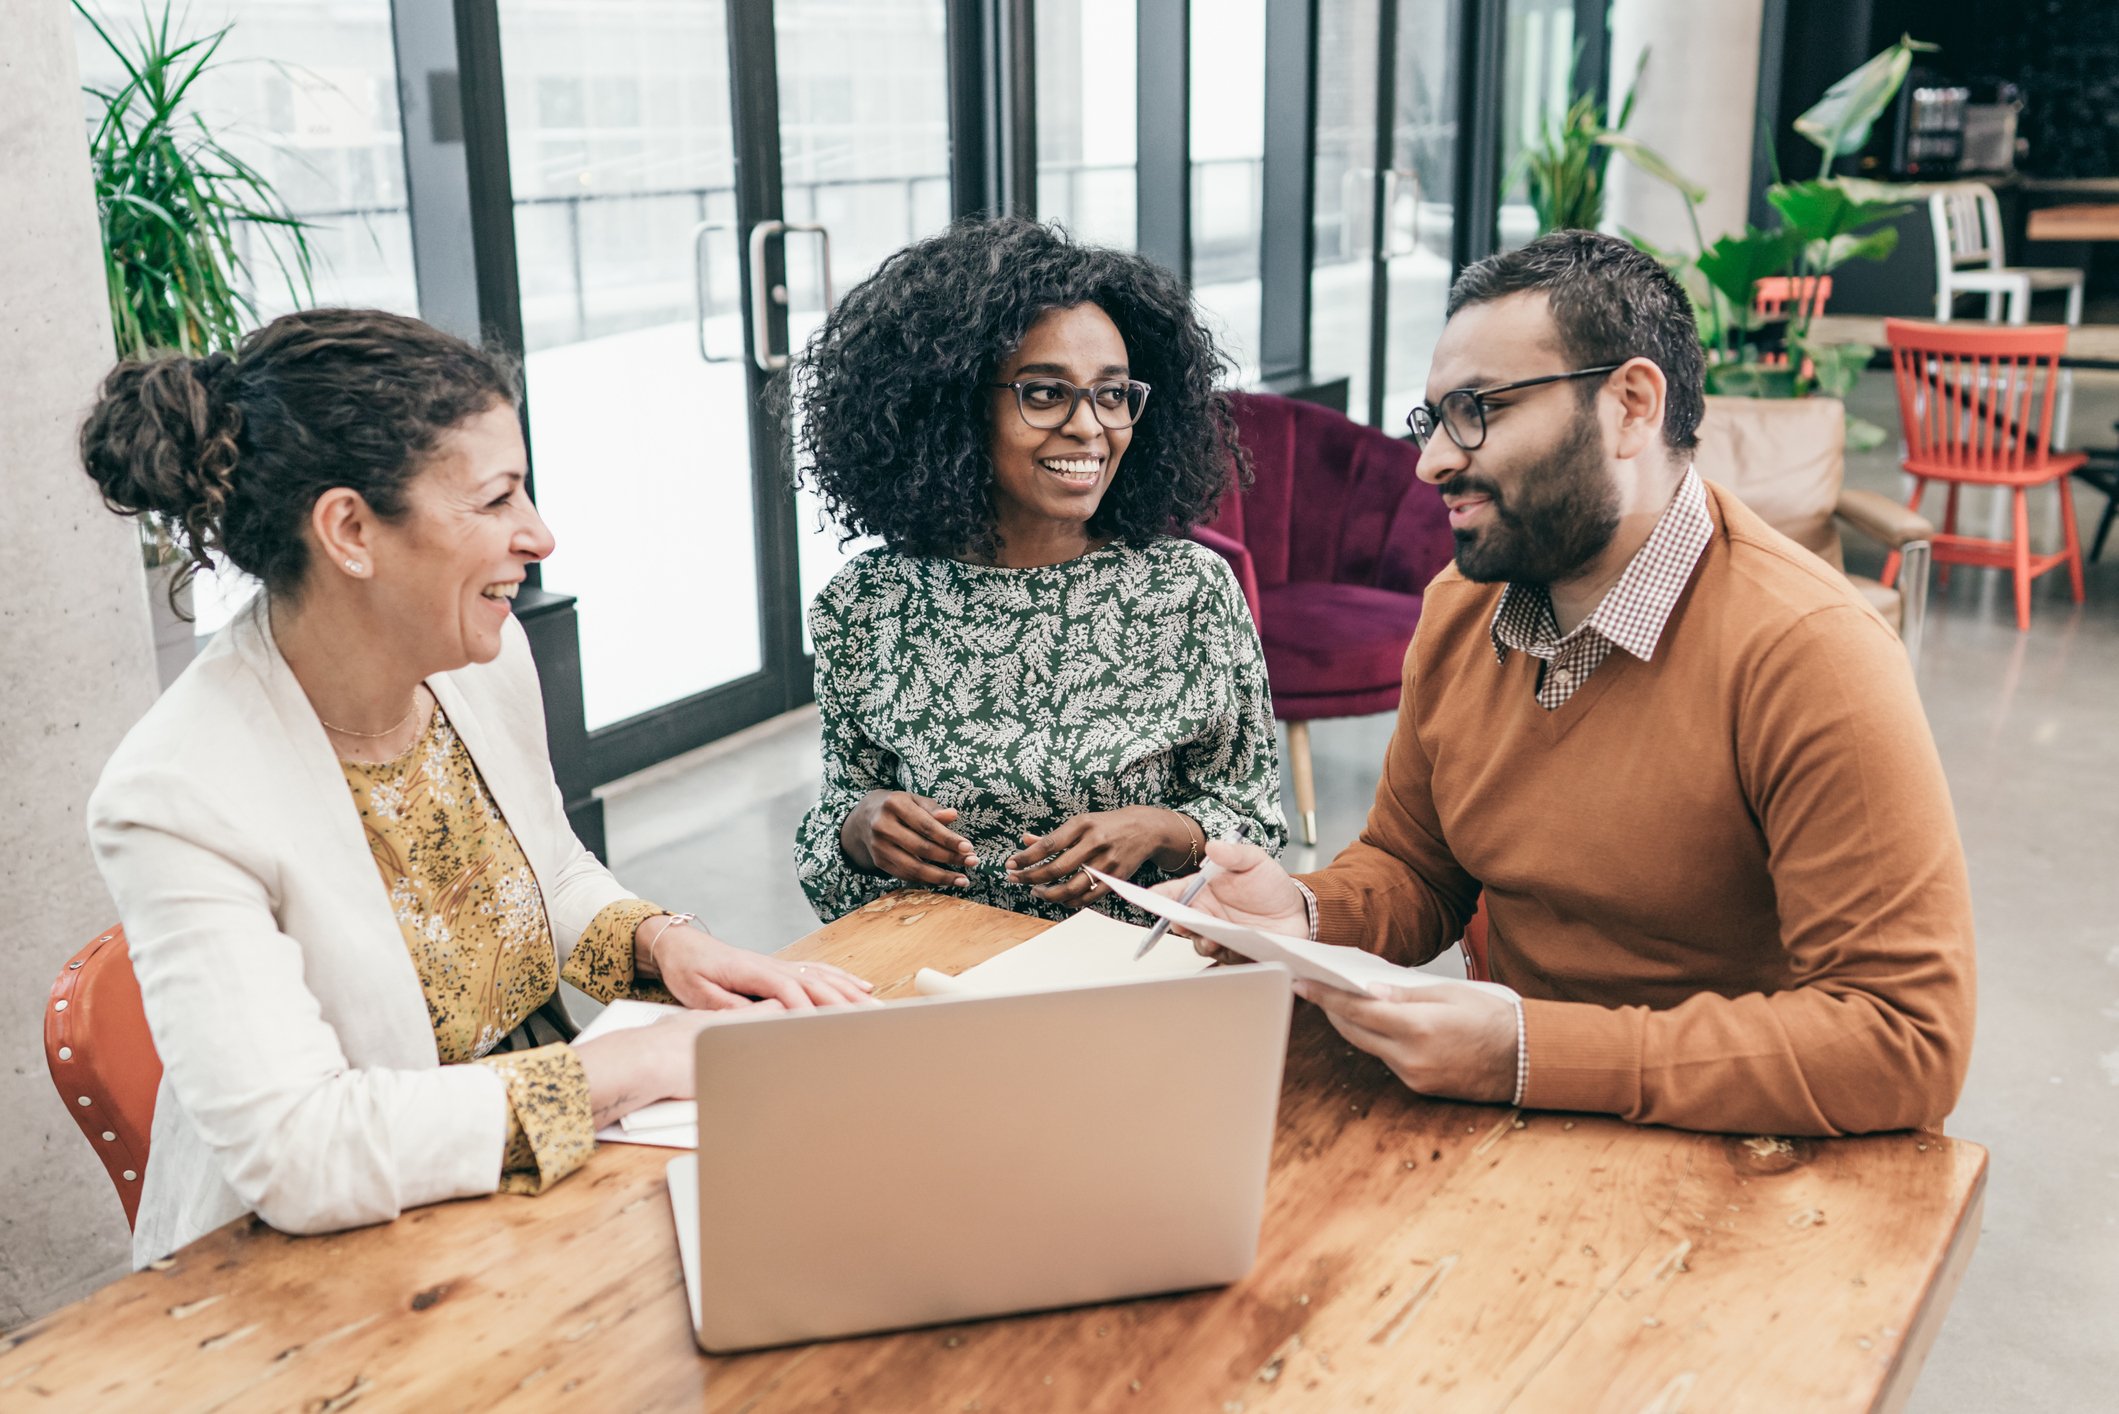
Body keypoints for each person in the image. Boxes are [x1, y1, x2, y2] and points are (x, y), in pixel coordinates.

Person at [81, 309, 875, 1265]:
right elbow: (301, 1150)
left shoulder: (477, 661)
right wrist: (628, 1065)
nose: (539, 534)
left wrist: (668, 949)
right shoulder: (177, 794)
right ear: (349, 530)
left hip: (546, 1160)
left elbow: (549, 872)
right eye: (496, 499)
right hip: (328, 1248)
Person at [1171, 231, 1975, 1137]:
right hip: (1518, 1125)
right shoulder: (1460, 608)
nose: (1432, 460)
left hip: (1745, 1154)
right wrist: (1305, 910)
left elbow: (1903, 1040)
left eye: (1478, 410)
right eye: (1430, 418)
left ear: (1631, 406)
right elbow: (1416, 865)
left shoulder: (1811, 653)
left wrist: (1527, 1052)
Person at [786, 217, 1287, 924]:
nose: (1090, 426)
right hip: (940, 979)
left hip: (1132, 985)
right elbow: (838, 815)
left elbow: (1255, 823)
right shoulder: (867, 603)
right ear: (952, 407)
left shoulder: (1188, 590)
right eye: (1045, 392)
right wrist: (859, 827)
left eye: (1112, 394)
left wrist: (1163, 831)